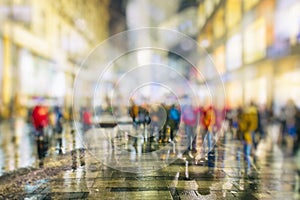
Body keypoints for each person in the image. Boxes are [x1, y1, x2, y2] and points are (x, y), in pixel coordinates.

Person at [32, 101, 49, 166]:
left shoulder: (42, 109)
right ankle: (40, 155)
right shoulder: (37, 110)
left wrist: (45, 122)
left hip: (41, 128)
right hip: (38, 128)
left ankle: (41, 155)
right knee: (39, 141)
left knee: (41, 140)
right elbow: (35, 118)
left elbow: (45, 117)